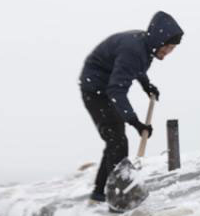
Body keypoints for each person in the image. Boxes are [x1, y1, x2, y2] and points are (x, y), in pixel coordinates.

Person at [79, 11, 184, 202]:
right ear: (158, 40)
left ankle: (100, 192)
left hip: (104, 87)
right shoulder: (134, 49)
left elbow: (137, 68)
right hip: (95, 90)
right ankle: (119, 197)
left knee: (115, 139)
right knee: (117, 140)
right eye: (168, 47)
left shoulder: (145, 47)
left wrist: (146, 85)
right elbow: (116, 90)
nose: (168, 53)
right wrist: (136, 123)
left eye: (172, 49)